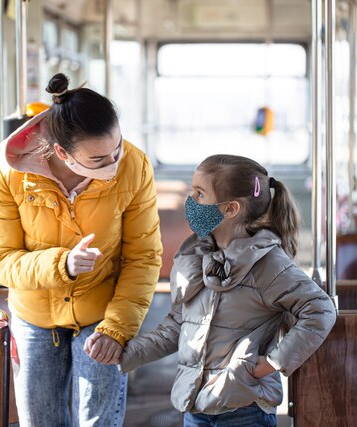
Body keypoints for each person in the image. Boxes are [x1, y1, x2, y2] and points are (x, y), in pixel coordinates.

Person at [85, 154, 337, 426]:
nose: (190, 201)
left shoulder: (268, 264)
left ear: (230, 209)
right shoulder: (195, 257)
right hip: (195, 404)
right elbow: (177, 326)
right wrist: (125, 353)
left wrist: (274, 362)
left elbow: (320, 310)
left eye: (200, 194)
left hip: (245, 408)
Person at [0, 73, 162, 427]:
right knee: (41, 420)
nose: (112, 165)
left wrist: (117, 328)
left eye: (117, 149)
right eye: (98, 160)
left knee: (98, 420)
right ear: (62, 153)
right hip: (35, 312)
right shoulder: (7, 173)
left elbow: (144, 255)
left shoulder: (134, 165)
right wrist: (62, 264)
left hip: (103, 309)